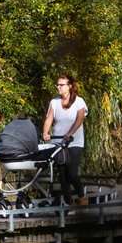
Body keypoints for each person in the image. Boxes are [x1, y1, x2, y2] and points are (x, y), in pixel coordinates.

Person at [42, 73, 88, 204]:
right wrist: (45, 132)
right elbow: (49, 119)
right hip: (58, 143)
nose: (58, 87)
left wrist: (70, 133)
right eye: (57, 85)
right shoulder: (54, 102)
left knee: (72, 173)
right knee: (62, 176)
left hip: (74, 142)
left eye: (61, 85)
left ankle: (81, 196)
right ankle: (68, 203)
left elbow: (80, 118)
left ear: (70, 86)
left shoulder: (79, 101)